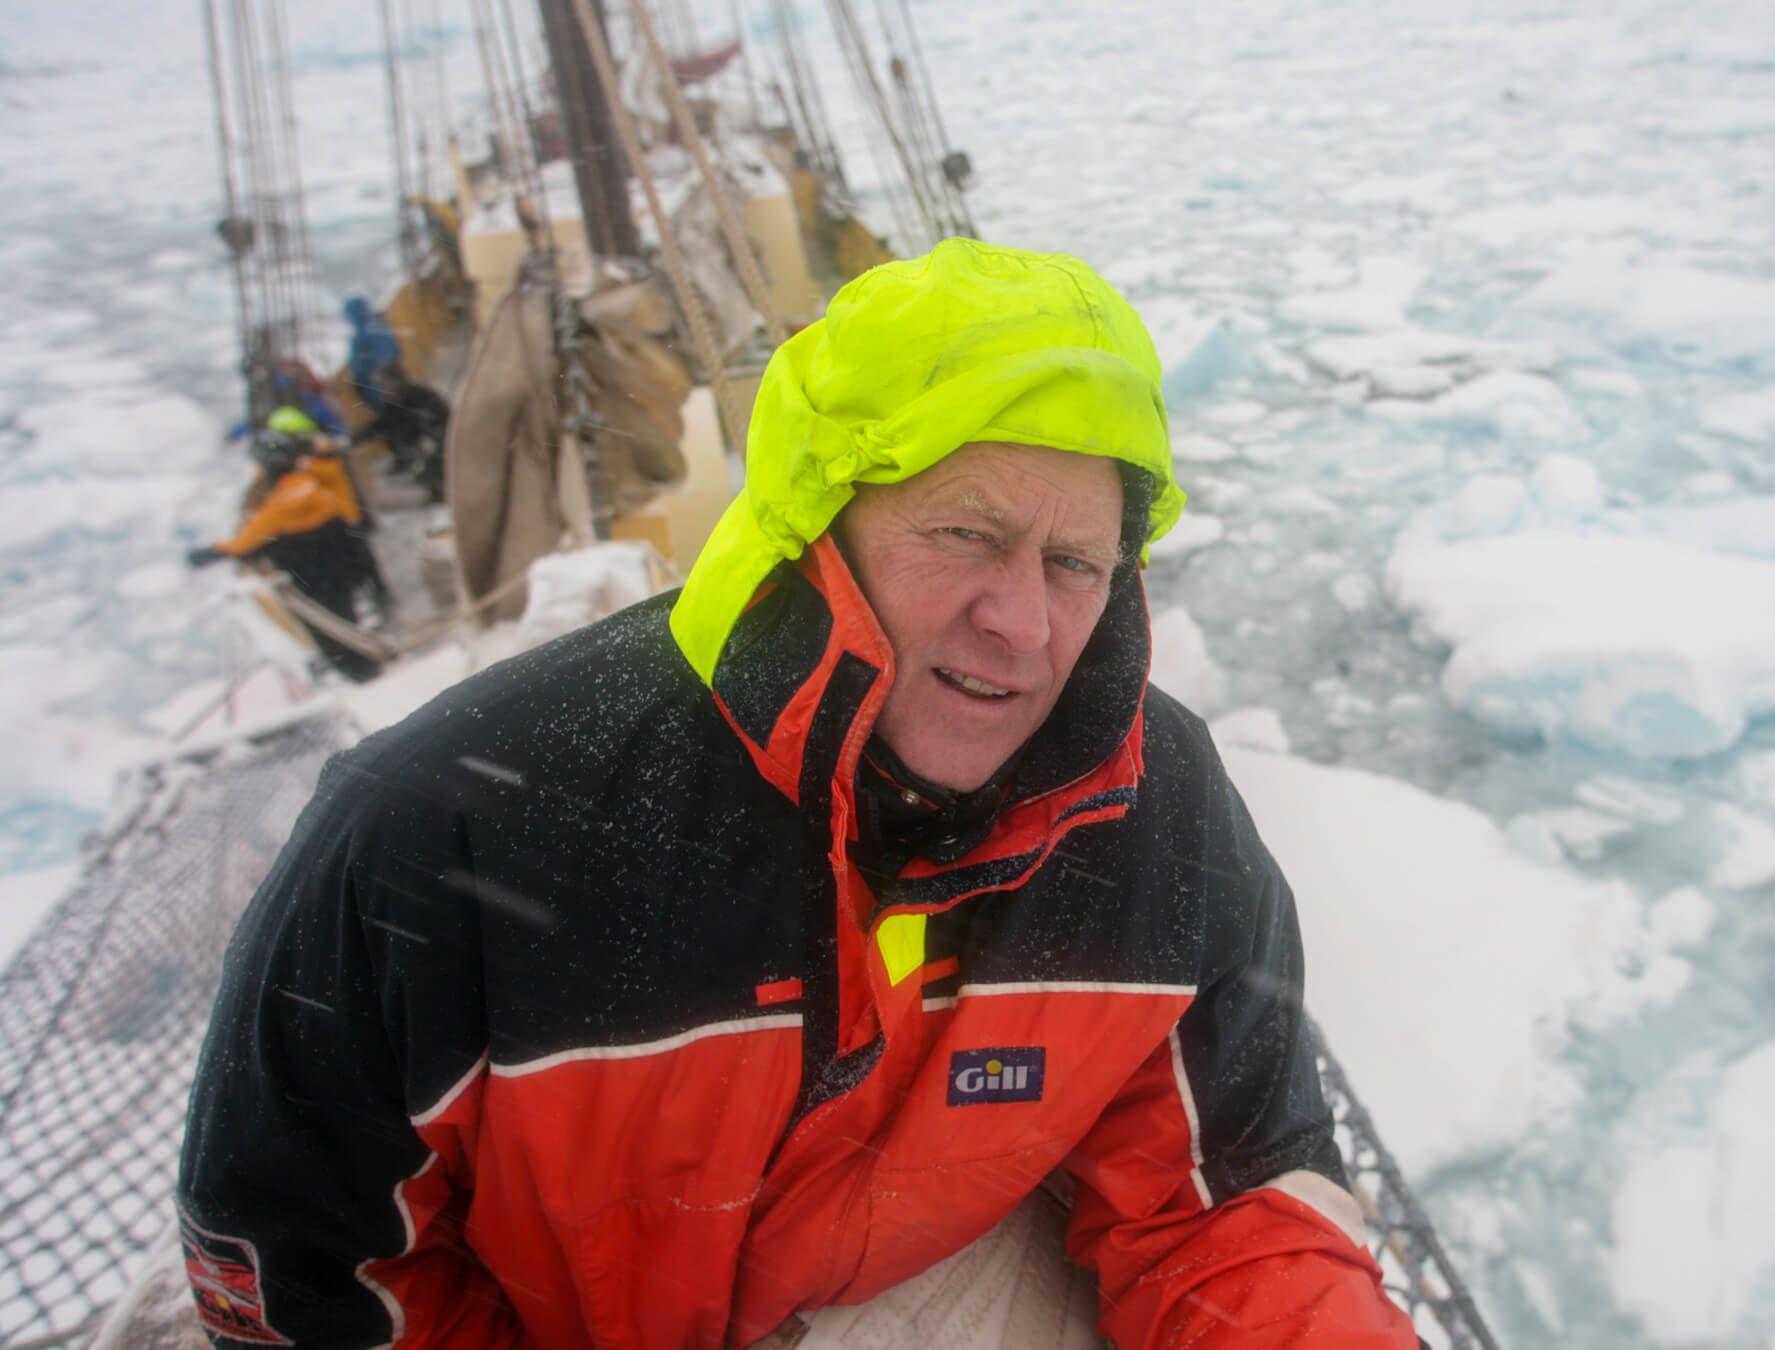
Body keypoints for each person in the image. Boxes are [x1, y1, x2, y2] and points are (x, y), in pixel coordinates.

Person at [177, 240, 1416, 1347]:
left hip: (899, 1281)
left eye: (1076, 562)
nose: (1024, 622)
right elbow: (311, 1286)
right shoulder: (452, 828)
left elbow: (1226, 1210)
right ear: (816, 526)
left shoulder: (1153, 810)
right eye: (965, 535)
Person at [187, 424, 384, 683]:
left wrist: (205, 554)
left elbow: (243, 545)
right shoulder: (321, 489)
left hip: (311, 582)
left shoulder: (276, 512)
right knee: (347, 617)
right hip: (343, 569)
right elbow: (349, 522)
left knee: (328, 632)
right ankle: (370, 658)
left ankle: (362, 673)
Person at [350, 362, 451, 501]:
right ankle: (428, 483)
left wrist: (431, 440)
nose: (384, 390)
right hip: (417, 447)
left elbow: (441, 420)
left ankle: (441, 488)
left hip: (441, 443)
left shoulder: (421, 395)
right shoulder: (393, 402)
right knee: (393, 434)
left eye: (386, 386)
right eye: (382, 387)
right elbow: (379, 424)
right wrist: (353, 439)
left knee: (434, 463)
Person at [344, 296, 403, 412]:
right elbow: (396, 350)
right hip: (398, 380)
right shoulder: (380, 325)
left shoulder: (358, 339)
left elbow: (359, 371)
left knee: (397, 418)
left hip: (380, 391)